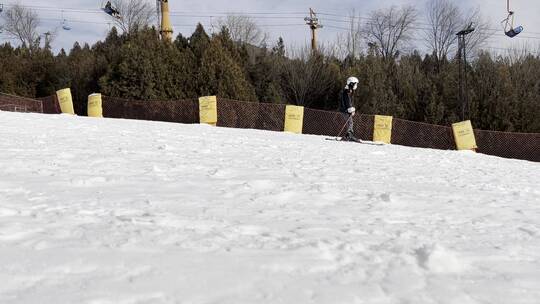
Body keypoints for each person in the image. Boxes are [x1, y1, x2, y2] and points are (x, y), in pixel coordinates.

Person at [339, 76, 359, 141]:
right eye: (355, 84)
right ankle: (349, 136)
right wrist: (350, 109)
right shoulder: (347, 92)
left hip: (345, 110)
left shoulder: (348, 91)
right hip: (345, 110)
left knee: (350, 122)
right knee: (350, 123)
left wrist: (351, 109)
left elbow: (348, 102)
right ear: (351, 84)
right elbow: (347, 102)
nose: (356, 86)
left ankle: (349, 135)